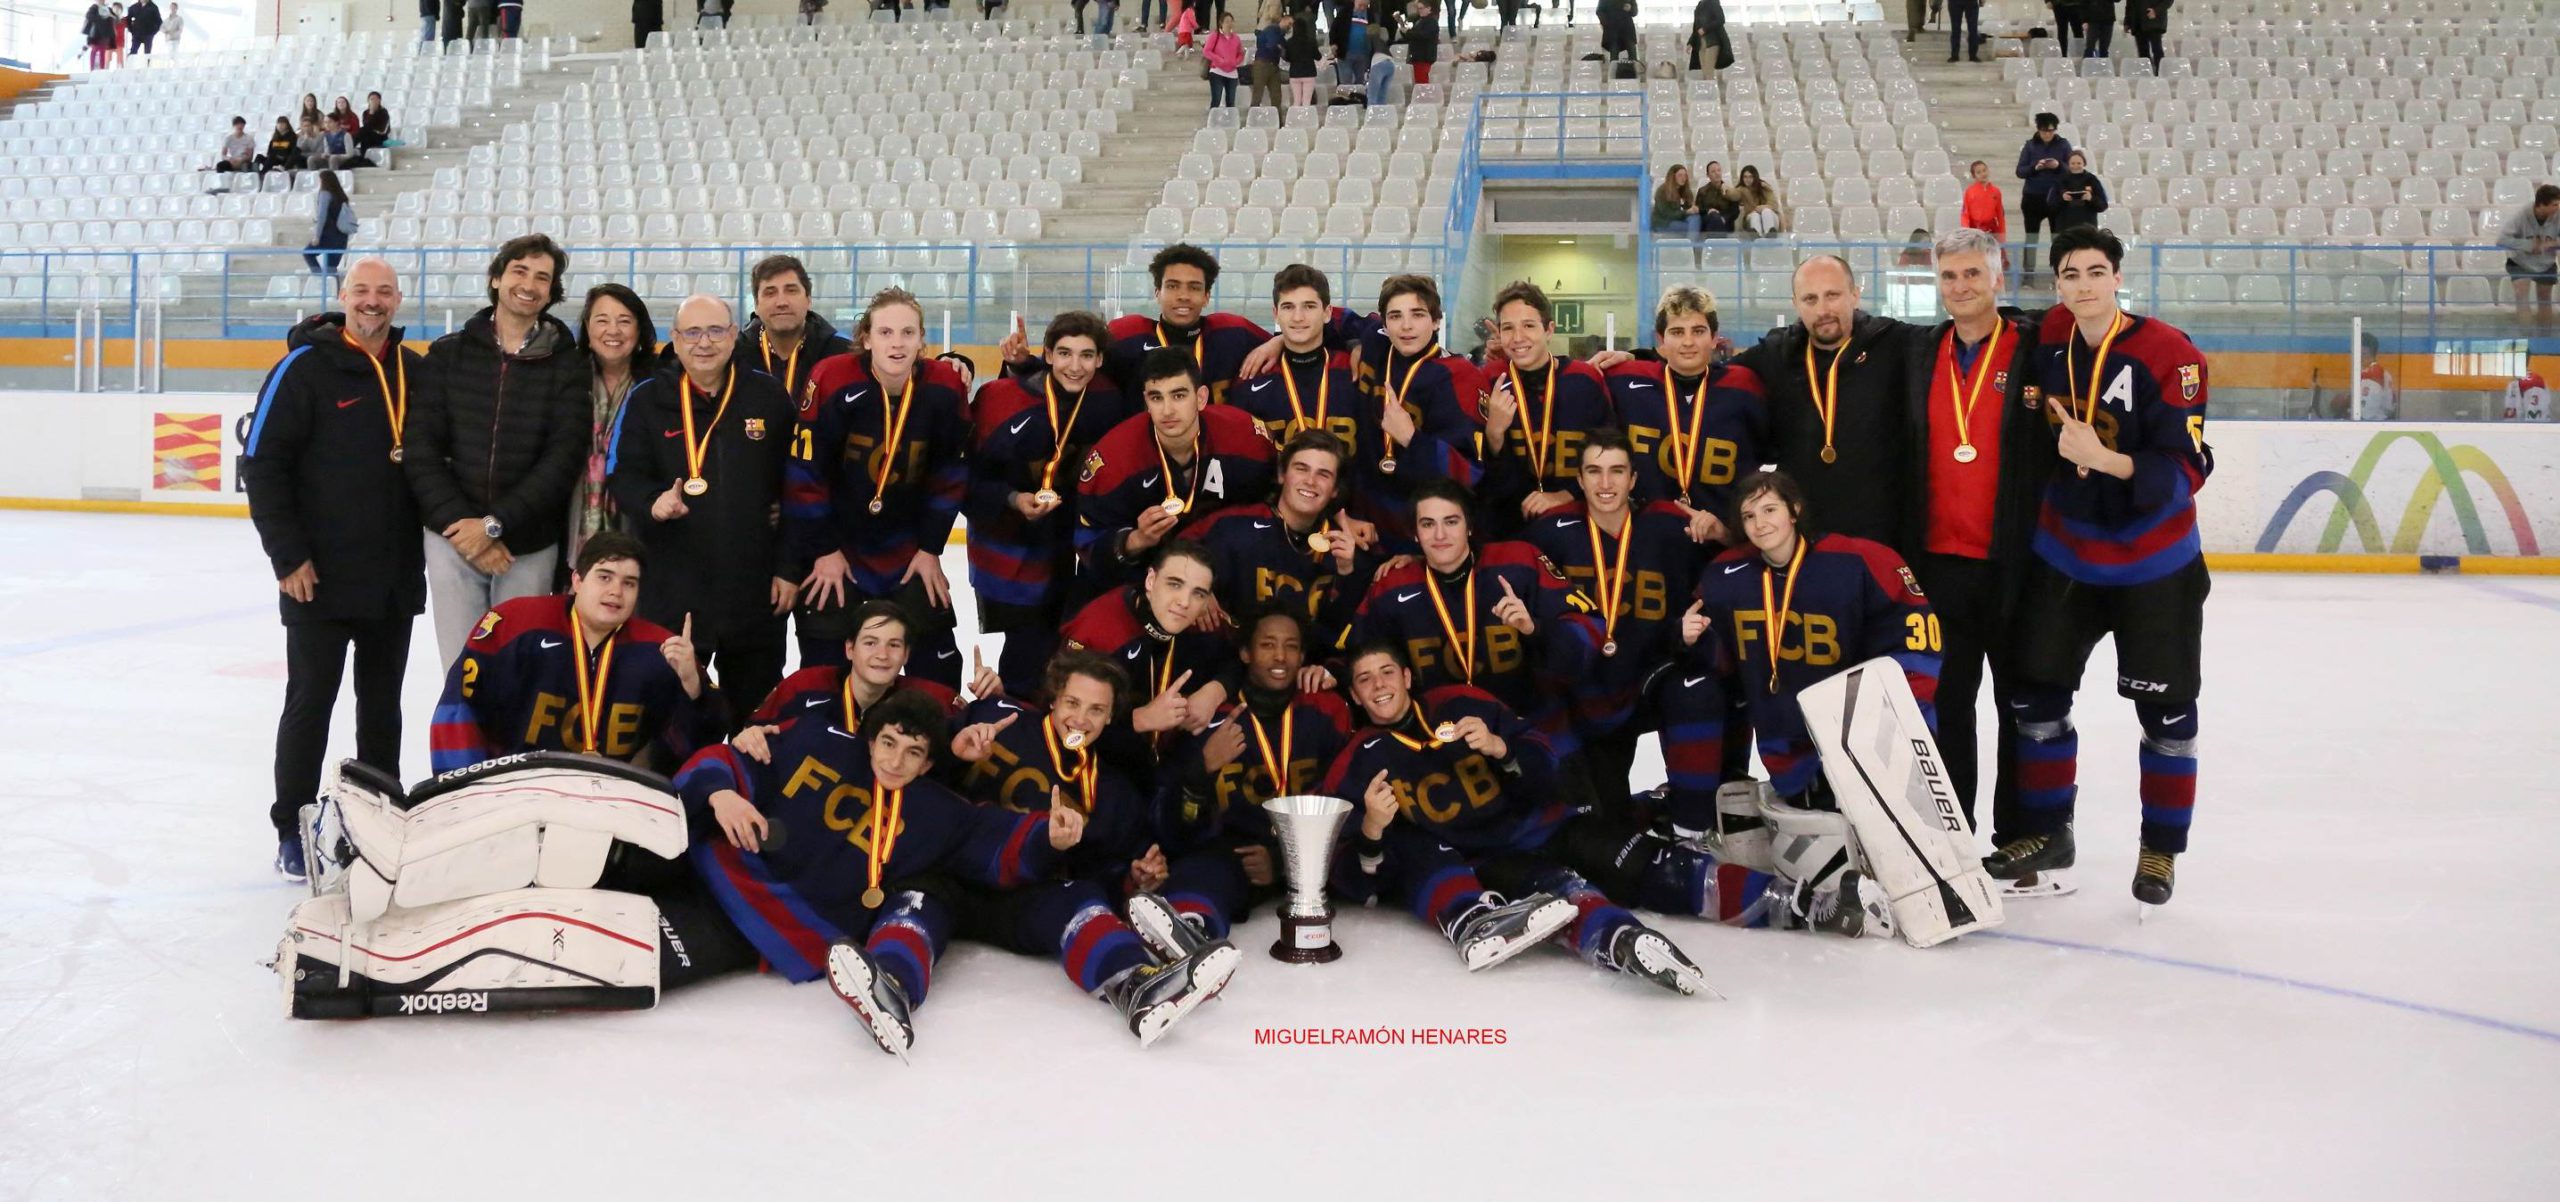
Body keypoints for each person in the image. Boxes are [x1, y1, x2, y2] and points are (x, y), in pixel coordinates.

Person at [1988, 225, 2212, 908]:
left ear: (2118, 278)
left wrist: (2105, 458)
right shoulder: (2048, 335)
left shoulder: (2169, 353)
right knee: (2034, 695)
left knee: (2168, 714)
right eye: (2070, 274)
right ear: (2056, 283)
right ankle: (2051, 832)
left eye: (2095, 272)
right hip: (2065, 554)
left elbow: (2189, 469)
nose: (2082, 285)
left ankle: (2160, 850)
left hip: (2154, 562)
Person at [669, 689, 1084, 1057]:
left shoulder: (942, 814)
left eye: (913, 753)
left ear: (927, 765)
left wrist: (1052, 836)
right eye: (887, 743)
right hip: (721, 865)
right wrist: (720, 793)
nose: (895, 760)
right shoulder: (818, 739)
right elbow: (727, 758)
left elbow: (1002, 846)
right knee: (656, 843)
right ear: (870, 739)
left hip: (774, 928)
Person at [1318, 640, 1717, 992]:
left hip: (1546, 825)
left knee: (1646, 863)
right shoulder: (1357, 759)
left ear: (1407, 676)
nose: (1379, 686)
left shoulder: (1461, 702)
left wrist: (1501, 749)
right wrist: (1371, 827)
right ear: (1353, 694)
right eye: (1365, 680)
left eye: (1387, 672)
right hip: (1489, 858)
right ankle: (1622, 940)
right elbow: (1348, 875)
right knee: (1561, 890)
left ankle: (1775, 899)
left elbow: (1550, 767)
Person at [1669, 468, 1921, 934]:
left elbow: (1916, 636)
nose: (1761, 523)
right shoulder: (1726, 575)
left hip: (1857, 747)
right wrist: (1692, 640)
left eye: (1770, 510)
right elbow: (1720, 661)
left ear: (1795, 511)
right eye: (1749, 515)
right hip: (1785, 745)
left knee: (1868, 841)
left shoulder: (1859, 560)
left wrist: (1900, 720)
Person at [240, 259, 427, 880]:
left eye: (384, 292)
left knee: (382, 707)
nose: (373, 302)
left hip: (393, 574)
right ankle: (292, 826)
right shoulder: (302, 368)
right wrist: (287, 556)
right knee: (310, 703)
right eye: (362, 292)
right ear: (342, 296)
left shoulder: (414, 370)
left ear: (400, 299)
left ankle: (379, 822)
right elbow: (263, 465)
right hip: (315, 575)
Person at [1901, 228, 2053, 878]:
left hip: (2014, 566)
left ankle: (2021, 836)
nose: (1960, 287)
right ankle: (1953, 834)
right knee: (1948, 705)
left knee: (2020, 704)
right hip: (1939, 564)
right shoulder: (1920, 350)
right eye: (1949, 277)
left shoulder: (2034, 348)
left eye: (1971, 274)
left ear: (1999, 278)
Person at [607, 295, 804, 730]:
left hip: (754, 594)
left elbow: (798, 490)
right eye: (692, 332)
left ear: (734, 335)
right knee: (671, 719)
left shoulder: (769, 397)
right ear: (675, 341)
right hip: (673, 590)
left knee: (755, 722)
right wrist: (652, 502)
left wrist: (789, 569)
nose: (704, 342)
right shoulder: (647, 399)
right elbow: (624, 476)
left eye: (716, 330)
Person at [406, 233, 590, 669]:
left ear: (551, 292)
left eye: (542, 277)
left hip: (526, 545)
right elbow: (420, 448)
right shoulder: (448, 355)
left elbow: (561, 459)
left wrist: (493, 524)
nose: (529, 284)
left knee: (515, 673)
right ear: (496, 279)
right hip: (453, 542)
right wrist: (463, 526)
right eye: (520, 271)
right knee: (461, 670)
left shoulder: (567, 364)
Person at [1523, 430, 1713, 813]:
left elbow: (1726, 568)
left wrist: (1720, 528)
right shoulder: (1549, 532)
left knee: (1698, 690)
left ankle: (1693, 820)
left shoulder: (1667, 525)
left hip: (1649, 671)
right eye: (1594, 472)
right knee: (1607, 814)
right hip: (1585, 683)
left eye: (1616, 471)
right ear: (1578, 480)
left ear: (1633, 479)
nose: (1605, 484)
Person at [790, 287, 972, 685]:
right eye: (886, 333)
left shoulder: (944, 386)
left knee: (938, 666)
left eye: (908, 333)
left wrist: (930, 548)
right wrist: (824, 550)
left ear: (922, 340)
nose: (897, 343)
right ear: (866, 338)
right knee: (823, 666)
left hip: (907, 548)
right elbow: (804, 473)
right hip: (839, 547)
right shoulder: (832, 378)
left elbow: (950, 473)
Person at [426, 530, 717, 775]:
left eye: (629, 583)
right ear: (577, 580)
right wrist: (464, 793)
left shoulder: (659, 650)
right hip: (513, 792)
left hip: (611, 802)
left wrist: (693, 689)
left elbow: (696, 751)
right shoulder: (513, 626)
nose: (616, 591)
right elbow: (457, 711)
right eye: (605, 577)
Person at [1350, 480, 1604, 757]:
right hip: (1443, 742)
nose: (1439, 534)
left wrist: (1534, 629)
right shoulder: (1392, 588)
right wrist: (1325, 672)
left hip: (1535, 730)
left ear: (1469, 527)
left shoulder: (1519, 561)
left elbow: (1589, 636)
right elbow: (1356, 656)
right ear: (1414, 534)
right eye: (1427, 524)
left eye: (1451, 522)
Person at [1152, 609, 1357, 946]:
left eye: (1291, 646)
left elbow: (1347, 803)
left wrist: (1280, 862)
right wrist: (1201, 769)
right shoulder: (1209, 720)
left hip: (1312, 860)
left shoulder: (1325, 710)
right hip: (1234, 860)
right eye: (1267, 645)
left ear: (1303, 656)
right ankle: (1191, 935)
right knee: (1202, 870)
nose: (1280, 656)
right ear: (1245, 653)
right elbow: (1176, 830)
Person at [971, 311, 1130, 694]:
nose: (1075, 366)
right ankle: (1020, 715)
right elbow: (968, 480)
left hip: (1076, 542)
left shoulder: (1109, 400)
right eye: (1064, 354)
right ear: (1048, 355)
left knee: (1069, 643)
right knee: (1027, 645)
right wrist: (1012, 499)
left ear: (1101, 360)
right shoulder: (999, 398)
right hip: (1016, 546)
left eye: (1086, 355)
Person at [1729, 255, 1925, 552]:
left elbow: (1964, 334)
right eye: (1810, 299)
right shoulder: (1777, 356)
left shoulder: (1894, 343)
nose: (1823, 310)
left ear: (1855, 294)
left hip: (1881, 535)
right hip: (1803, 537)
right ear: (1796, 304)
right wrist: (1635, 359)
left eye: (1832, 295)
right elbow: (1705, 374)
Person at [1075, 348, 1277, 588]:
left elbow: (1271, 516)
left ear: (1201, 397)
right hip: (1144, 584)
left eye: (1178, 396)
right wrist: (1135, 540)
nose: (1167, 410)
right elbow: (1089, 548)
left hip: (1228, 576)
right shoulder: (1115, 459)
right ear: (1146, 400)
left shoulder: (1245, 438)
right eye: (1156, 397)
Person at [1182, 429, 1371, 656]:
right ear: (1282, 474)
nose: (1310, 481)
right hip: (1227, 660)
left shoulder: (1344, 548)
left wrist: (1347, 572)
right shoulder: (1234, 527)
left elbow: (1336, 634)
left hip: (1300, 671)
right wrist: (1196, 587)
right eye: (1301, 468)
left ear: (1335, 490)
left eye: (1324, 474)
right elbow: (1175, 551)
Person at [1480, 282, 1617, 537]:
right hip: (1508, 527)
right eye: (1508, 328)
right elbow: (1485, 483)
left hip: (1578, 525)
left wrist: (1566, 495)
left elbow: (1611, 454)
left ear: (1549, 329)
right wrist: (1494, 436)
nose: (1518, 337)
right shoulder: (1490, 381)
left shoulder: (1584, 380)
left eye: (1529, 325)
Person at [1086, 244, 1271, 400]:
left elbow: (1292, 346)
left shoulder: (1232, 333)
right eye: (1173, 286)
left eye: (1194, 287)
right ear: (1157, 292)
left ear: (1206, 296)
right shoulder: (1128, 338)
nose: (1183, 296)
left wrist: (1276, 343)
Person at [570, 284, 655, 563]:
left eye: (624, 321)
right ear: (587, 327)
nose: (613, 331)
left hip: (639, 521)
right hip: (571, 519)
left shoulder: (658, 384)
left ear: (639, 329)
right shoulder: (567, 380)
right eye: (602, 320)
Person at [734, 254, 850, 410]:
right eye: (770, 292)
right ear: (756, 305)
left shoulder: (842, 353)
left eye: (791, 290)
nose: (781, 302)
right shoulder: (735, 355)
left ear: (808, 300)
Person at [2015, 112, 2073, 278]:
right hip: (2033, 198)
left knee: (2058, 239)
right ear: (2038, 129)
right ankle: (2028, 274)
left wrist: (2058, 165)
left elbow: (2073, 168)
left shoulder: (2063, 145)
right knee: (2031, 238)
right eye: (2044, 130)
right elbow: (2020, 171)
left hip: (2056, 199)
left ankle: (2059, 274)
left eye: (2051, 130)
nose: (2047, 134)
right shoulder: (2030, 146)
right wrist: (2035, 167)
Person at [2497, 184, 2560, 323]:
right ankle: (2527, 336)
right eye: (2555, 205)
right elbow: (2501, 239)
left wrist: (2553, 243)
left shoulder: (2558, 215)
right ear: (2541, 205)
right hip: (2520, 261)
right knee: (2521, 294)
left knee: (2544, 297)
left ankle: (2545, 339)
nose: (2558, 208)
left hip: (2546, 262)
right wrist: (2528, 245)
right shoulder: (2520, 215)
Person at [302, 171, 356, 277]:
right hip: (341, 236)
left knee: (308, 253)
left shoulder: (325, 194)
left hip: (328, 235)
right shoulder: (341, 196)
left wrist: (317, 236)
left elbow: (322, 216)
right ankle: (332, 290)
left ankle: (320, 279)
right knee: (331, 269)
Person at [2051, 150, 2107, 233]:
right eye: (2073, 163)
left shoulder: (2092, 179)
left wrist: (2091, 198)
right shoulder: (2060, 180)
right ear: (2068, 164)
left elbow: (2103, 205)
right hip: (2065, 227)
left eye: (2079, 163)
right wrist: (2062, 198)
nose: (2076, 166)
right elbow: (2051, 206)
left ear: (2084, 163)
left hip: (2088, 228)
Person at [1959, 159, 2007, 248]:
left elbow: (2000, 215)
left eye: (1984, 170)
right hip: (1974, 231)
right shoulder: (1969, 192)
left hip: (1992, 230)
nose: (1983, 174)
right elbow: (1965, 214)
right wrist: (1967, 232)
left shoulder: (1996, 192)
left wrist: (2002, 235)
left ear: (1988, 170)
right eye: (1979, 172)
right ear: (1974, 176)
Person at [1204, 13, 1244, 107]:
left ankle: (1229, 120)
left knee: (1231, 101)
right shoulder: (1215, 36)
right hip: (1217, 71)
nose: (1229, 24)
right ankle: (1213, 120)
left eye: (1231, 21)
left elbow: (1241, 54)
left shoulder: (1236, 38)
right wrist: (1219, 60)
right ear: (1221, 23)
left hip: (1232, 73)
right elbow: (1207, 51)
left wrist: (1235, 62)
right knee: (1216, 99)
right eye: (1227, 21)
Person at [1283, 10, 1321, 109]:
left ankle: (1295, 121)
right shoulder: (1311, 41)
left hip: (1295, 74)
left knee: (1296, 101)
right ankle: (1306, 121)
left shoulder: (1289, 42)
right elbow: (1318, 56)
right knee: (1306, 101)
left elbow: (1287, 58)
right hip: (1309, 73)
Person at [1652, 164, 1701, 238]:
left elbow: (1687, 208)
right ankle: (1691, 247)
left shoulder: (1686, 191)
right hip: (1665, 222)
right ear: (1672, 176)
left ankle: (1690, 246)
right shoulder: (1662, 191)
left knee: (1696, 218)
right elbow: (1667, 214)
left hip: (1680, 219)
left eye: (1685, 176)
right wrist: (1686, 212)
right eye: (1680, 175)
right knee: (1692, 228)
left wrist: (1693, 209)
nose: (1683, 178)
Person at [1733, 165, 1784, 236]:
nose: (1748, 179)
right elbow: (1732, 195)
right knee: (1755, 215)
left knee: (1766, 211)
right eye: (1745, 177)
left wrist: (1763, 207)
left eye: (1750, 177)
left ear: (1755, 177)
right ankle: (1757, 237)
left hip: (1770, 216)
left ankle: (1770, 234)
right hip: (1751, 217)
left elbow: (1774, 205)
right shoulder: (1740, 190)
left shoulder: (1764, 187)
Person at [1250, 6, 1285, 107]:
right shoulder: (1272, 30)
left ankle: (1277, 121)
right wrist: (1280, 48)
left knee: (1275, 96)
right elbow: (1271, 44)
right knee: (1260, 96)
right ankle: (1255, 120)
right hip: (1263, 64)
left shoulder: (1280, 35)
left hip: (1272, 65)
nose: (1290, 26)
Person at [1694, 161, 1738, 234]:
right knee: (1714, 216)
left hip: (1726, 222)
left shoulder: (1729, 191)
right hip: (1707, 222)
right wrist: (1709, 210)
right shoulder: (1702, 191)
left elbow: (1735, 211)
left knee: (1716, 219)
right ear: (1708, 175)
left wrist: (1724, 218)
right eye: (1713, 171)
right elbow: (1698, 209)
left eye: (1719, 170)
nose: (1717, 173)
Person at [1689, 0, 1731, 73]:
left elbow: (1721, 19)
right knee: (1704, 70)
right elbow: (1696, 26)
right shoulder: (1699, 5)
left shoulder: (1714, 3)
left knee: (1709, 70)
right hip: (1701, 42)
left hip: (1712, 41)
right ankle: (1707, 83)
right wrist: (1691, 42)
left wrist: (1705, 29)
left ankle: (1710, 83)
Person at [2125, 0, 2168, 71]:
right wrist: (2127, 21)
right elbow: (2129, 3)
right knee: (2143, 53)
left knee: (2157, 50)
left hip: (2154, 22)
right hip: (2138, 22)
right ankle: (2146, 74)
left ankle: (2160, 74)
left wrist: (2156, 11)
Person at [1404, 2, 1437, 87]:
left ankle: (1424, 99)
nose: (1419, 11)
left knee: (1422, 83)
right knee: (1419, 81)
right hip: (1418, 56)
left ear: (1429, 8)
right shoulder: (1419, 20)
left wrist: (1408, 32)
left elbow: (1423, 35)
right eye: (1418, 8)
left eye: (1421, 8)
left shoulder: (1431, 21)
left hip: (1424, 56)